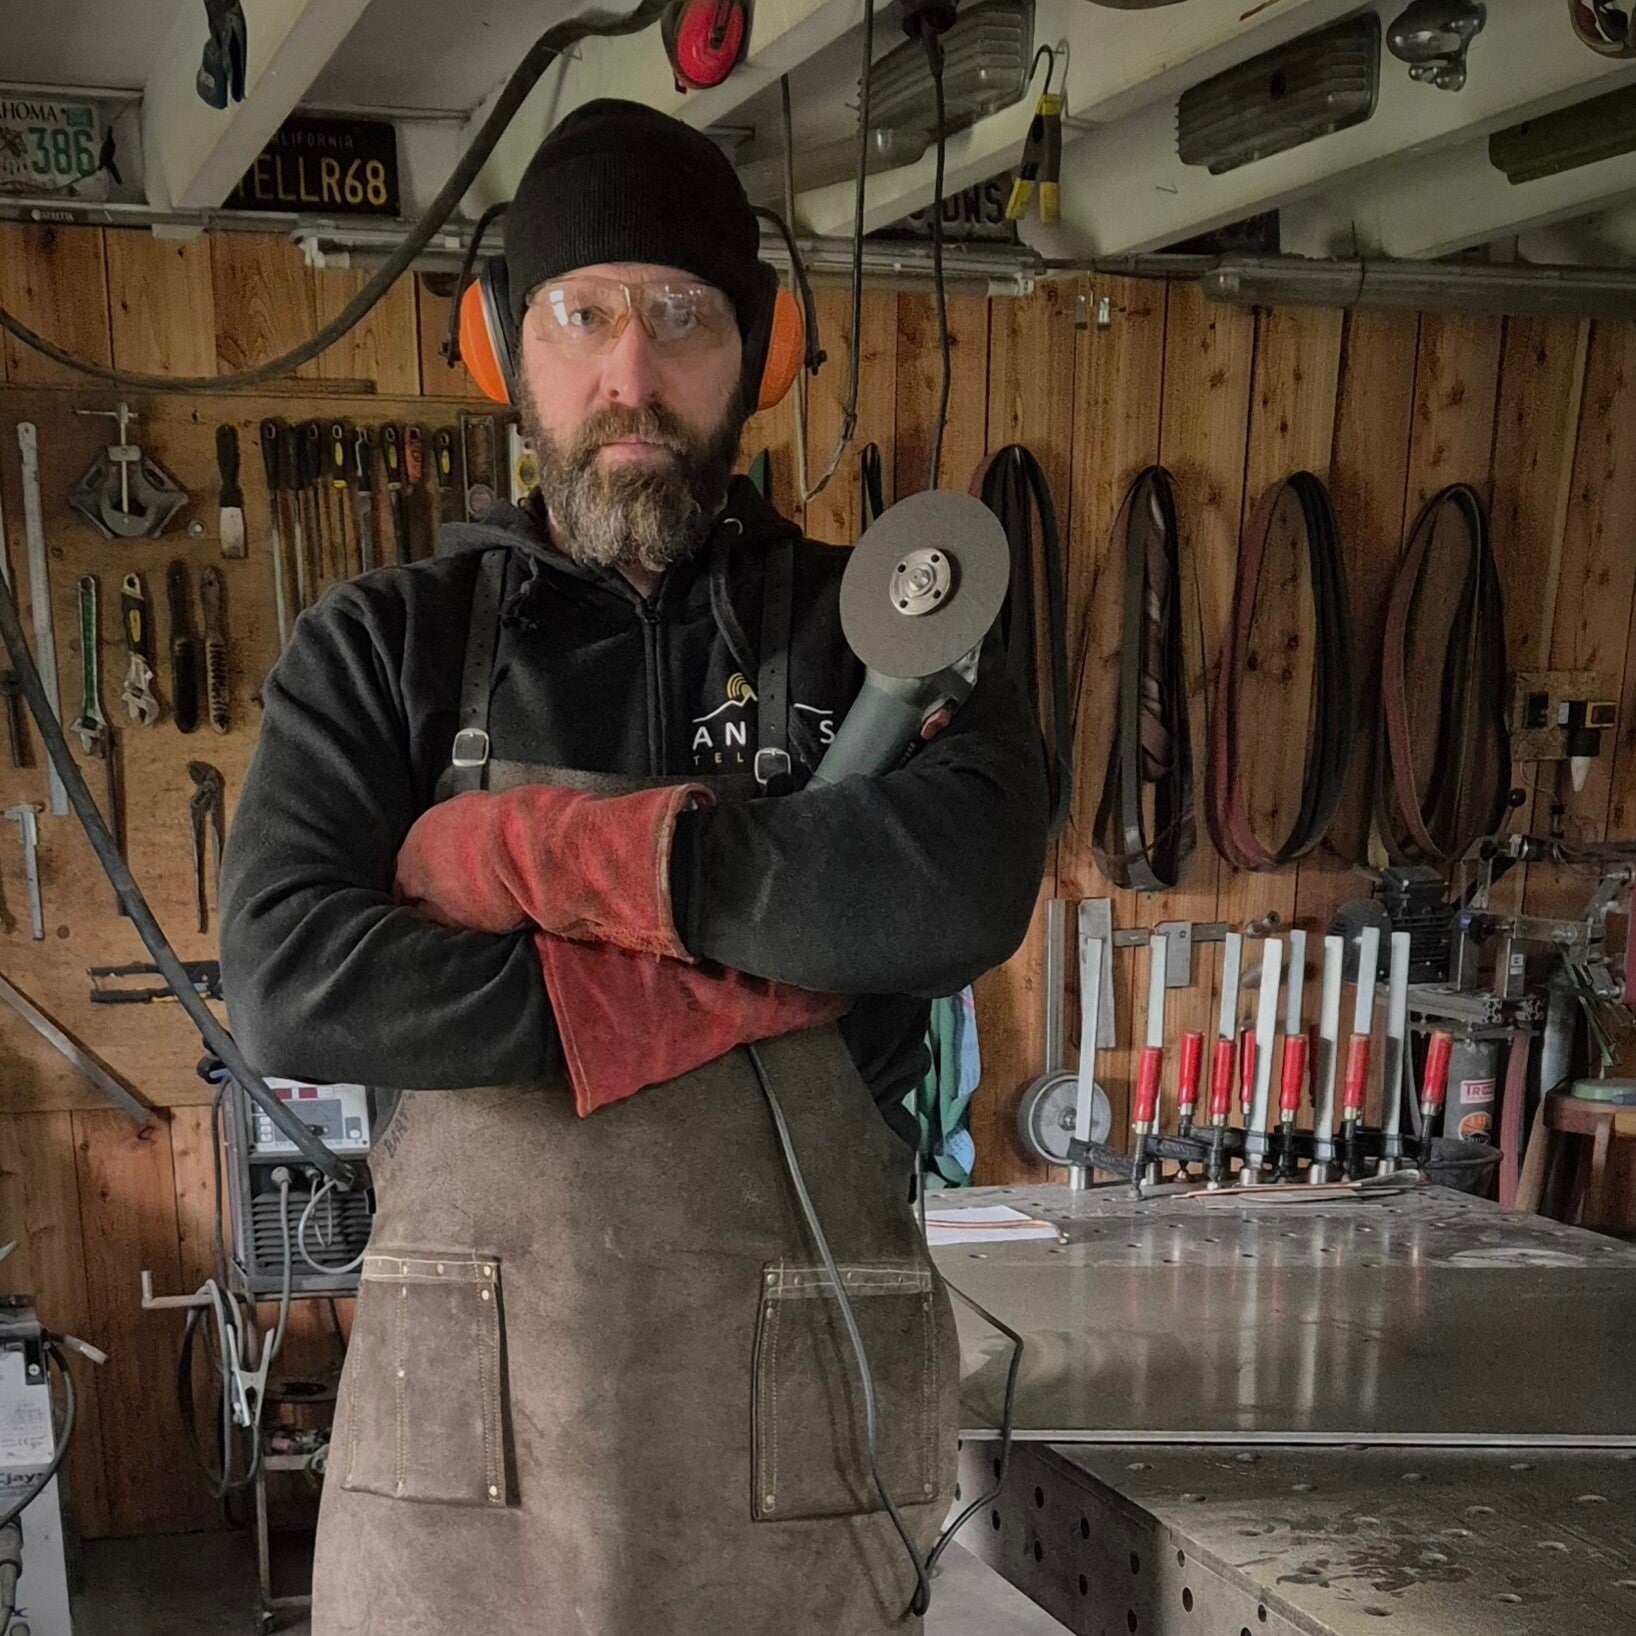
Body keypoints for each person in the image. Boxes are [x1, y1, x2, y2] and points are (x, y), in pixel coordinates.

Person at [219, 97, 1047, 1635]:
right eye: (580, 315)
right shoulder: (384, 652)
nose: (631, 375)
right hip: (465, 1497)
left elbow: (959, 886)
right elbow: (291, 978)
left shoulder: (881, 628)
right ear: (501, 346)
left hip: (796, 1470)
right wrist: (715, 967)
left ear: (762, 347)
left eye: (681, 316)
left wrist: (532, 864)